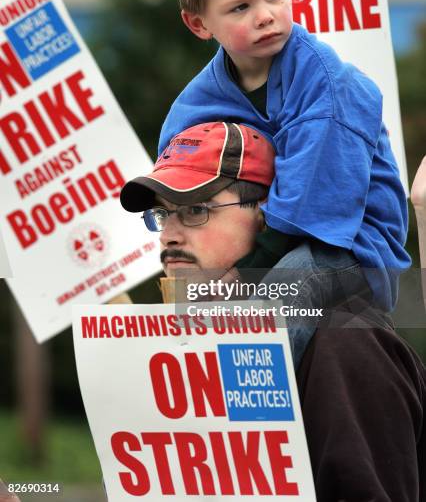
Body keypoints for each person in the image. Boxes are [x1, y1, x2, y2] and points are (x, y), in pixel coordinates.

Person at [120, 121, 425, 501]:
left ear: (267, 215)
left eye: (196, 209)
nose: (169, 234)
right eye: (163, 215)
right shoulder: (180, 349)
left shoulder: (346, 343)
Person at [157, 0, 411, 361]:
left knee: (286, 289)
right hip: (263, 243)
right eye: (240, 7)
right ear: (199, 24)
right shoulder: (194, 106)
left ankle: (252, 393)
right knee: (190, 291)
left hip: (351, 246)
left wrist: (246, 273)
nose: (266, 16)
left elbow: (315, 202)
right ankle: (189, 387)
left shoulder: (327, 86)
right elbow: (174, 179)